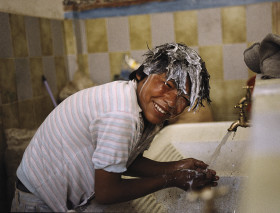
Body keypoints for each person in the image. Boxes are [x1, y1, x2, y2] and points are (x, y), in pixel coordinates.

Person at [11, 43, 219, 212]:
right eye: (168, 85)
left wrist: (176, 166)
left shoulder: (142, 108)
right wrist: (172, 179)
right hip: (37, 201)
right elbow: (106, 192)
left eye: (184, 98)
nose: (172, 102)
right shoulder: (121, 114)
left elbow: (120, 160)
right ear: (142, 74)